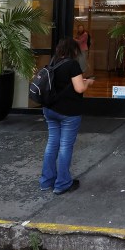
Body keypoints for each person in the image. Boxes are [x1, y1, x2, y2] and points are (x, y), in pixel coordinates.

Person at [40, 38, 95, 194]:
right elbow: (79, 88)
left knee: (52, 144)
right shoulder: (72, 64)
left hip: (50, 110)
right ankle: (62, 183)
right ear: (74, 50)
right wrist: (88, 83)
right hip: (68, 113)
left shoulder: (53, 62)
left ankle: (46, 181)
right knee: (65, 147)